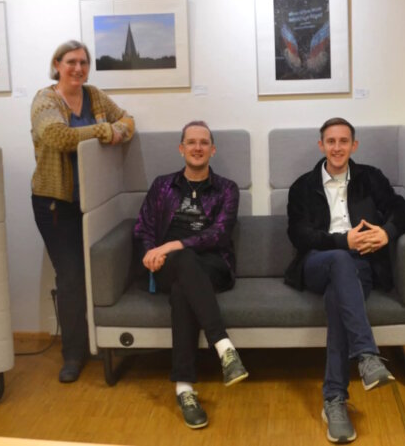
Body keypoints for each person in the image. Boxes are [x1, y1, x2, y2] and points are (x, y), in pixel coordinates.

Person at [285, 118, 405, 443]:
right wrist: (344, 243)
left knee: (337, 296)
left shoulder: (371, 178)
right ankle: (367, 355)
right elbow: (299, 235)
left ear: (354, 145)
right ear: (321, 145)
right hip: (318, 261)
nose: (338, 147)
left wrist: (386, 233)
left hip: (361, 266)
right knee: (341, 259)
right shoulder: (303, 185)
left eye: (344, 141)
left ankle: (334, 400)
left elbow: (402, 211)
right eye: (331, 141)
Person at [30, 40, 135, 383]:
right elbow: (57, 136)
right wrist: (105, 131)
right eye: (71, 62)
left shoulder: (93, 95)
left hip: (94, 204)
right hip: (56, 204)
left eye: (83, 62)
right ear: (57, 64)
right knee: (72, 278)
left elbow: (128, 122)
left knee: (102, 272)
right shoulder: (45, 100)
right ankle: (73, 354)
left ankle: (101, 342)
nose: (78, 68)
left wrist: (118, 128)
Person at [133, 121, 248, 430]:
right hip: (166, 266)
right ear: (181, 148)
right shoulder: (162, 185)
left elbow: (221, 234)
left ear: (213, 149)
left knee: (184, 277)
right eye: (192, 142)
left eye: (204, 142)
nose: (198, 147)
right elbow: (143, 227)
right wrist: (149, 252)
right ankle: (224, 348)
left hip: (213, 265)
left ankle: (184, 388)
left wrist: (171, 244)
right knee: (182, 269)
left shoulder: (227, 188)